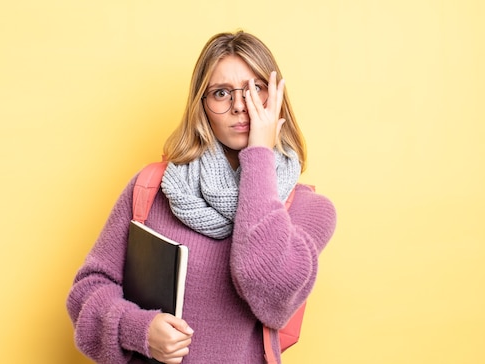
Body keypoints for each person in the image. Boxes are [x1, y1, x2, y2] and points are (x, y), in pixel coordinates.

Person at [67, 30, 337, 364]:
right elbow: (88, 289)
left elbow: (266, 286)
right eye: (222, 93)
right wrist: (139, 328)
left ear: (277, 98)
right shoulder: (154, 188)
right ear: (202, 105)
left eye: (256, 89)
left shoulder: (309, 210)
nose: (240, 106)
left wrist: (259, 156)